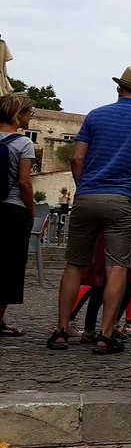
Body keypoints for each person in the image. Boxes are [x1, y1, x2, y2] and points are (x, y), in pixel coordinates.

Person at [48, 68, 131, 354]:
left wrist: (83, 188)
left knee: (74, 265)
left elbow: (77, 158)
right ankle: (106, 334)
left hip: (88, 196)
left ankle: (61, 330)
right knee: (117, 267)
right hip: (124, 200)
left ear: (119, 89)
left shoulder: (95, 115)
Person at [0, 94, 36, 338]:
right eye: (28, 113)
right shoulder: (24, 143)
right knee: (9, 266)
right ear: (18, 114)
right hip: (12, 209)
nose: (29, 117)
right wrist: (30, 208)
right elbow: (24, 181)